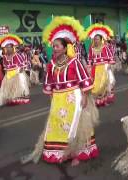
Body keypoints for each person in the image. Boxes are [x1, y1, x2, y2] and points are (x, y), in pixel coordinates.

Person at [22, 16, 99, 166]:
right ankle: (61, 152)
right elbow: (49, 82)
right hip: (58, 99)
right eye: (53, 46)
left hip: (73, 97)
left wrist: (84, 97)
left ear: (65, 48)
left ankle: (76, 152)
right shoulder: (51, 64)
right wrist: (51, 97)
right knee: (57, 124)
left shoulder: (74, 62)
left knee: (75, 125)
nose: (54, 48)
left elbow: (85, 81)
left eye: (57, 46)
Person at [87, 24, 116, 107]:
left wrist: (110, 64)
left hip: (104, 67)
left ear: (101, 40)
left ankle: (104, 100)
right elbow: (89, 59)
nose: (96, 41)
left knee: (104, 84)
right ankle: (98, 101)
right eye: (95, 39)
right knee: (96, 85)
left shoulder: (105, 47)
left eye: (97, 39)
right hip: (95, 68)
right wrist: (89, 66)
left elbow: (110, 56)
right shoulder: (91, 49)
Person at [0, 34, 30, 106]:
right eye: (7, 47)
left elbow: (22, 64)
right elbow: (5, 66)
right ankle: (11, 99)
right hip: (8, 74)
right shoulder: (4, 57)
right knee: (7, 87)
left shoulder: (17, 55)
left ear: (13, 48)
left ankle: (20, 98)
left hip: (17, 72)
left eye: (9, 47)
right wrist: (6, 74)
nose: (8, 49)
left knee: (21, 85)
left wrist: (20, 71)